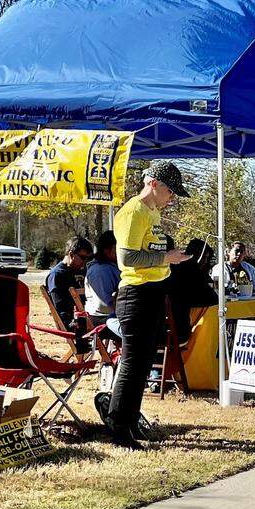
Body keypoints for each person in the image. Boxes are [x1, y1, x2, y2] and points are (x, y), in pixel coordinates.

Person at [102, 160, 191, 449]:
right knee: (132, 362)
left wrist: (169, 257)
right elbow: (127, 259)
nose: (172, 198)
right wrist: (166, 258)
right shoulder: (133, 212)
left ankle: (129, 421)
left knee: (142, 365)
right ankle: (118, 427)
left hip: (153, 291)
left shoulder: (152, 212)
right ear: (153, 184)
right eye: (170, 191)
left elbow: (149, 251)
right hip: (135, 294)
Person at [165, 238, 218, 343]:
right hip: (177, 333)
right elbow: (212, 299)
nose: (205, 261)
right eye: (205, 258)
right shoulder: (190, 269)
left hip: (153, 334)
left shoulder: (149, 276)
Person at [46, 236, 93, 326]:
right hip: (75, 322)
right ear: (71, 254)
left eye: (88, 259)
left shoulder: (81, 270)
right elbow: (60, 310)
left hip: (88, 315)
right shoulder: (57, 275)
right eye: (83, 257)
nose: (85, 262)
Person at [85, 231, 120, 319]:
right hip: (102, 319)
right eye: (119, 248)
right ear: (106, 250)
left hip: (118, 315)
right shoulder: (99, 270)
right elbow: (103, 306)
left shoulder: (115, 266)